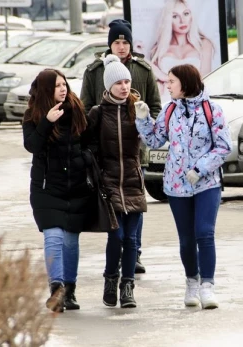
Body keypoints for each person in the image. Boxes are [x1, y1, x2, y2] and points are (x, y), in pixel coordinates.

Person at [135, 64, 232, 309]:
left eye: (171, 82)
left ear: (185, 84)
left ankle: (207, 287)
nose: (167, 86)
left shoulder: (212, 110)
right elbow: (155, 140)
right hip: (176, 185)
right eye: (167, 82)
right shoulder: (170, 110)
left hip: (206, 183)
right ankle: (192, 282)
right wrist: (143, 119)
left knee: (205, 233)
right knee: (187, 239)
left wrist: (200, 169)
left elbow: (223, 147)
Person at [81, 18, 161, 274]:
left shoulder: (143, 70)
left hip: (135, 153)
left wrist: (147, 124)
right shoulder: (94, 71)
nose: (121, 46)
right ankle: (116, 259)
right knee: (114, 211)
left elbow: (156, 107)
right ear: (110, 44)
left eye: (125, 41)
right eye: (117, 41)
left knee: (135, 201)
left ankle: (134, 252)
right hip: (105, 156)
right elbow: (84, 109)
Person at [22, 68, 91, 313]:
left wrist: (84, 162)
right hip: (46, 189)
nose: (63, 88)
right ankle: (56, 290)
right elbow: (32, 146)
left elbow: (88, 142)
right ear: (45, 90)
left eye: (64, 84)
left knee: (70, 242)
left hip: (76, 187)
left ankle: (69, 290)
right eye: (57, 85)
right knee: (53, 237)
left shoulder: (76, 109)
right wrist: (47, 123)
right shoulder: (33, 114)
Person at [86, 55, 147, 309]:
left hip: (133, 179)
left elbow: (153, 139)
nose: (124, 86)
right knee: (117, 236)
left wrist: (146, 121)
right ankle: (111, 280)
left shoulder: (136, 108)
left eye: (127, 81)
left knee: (132, 239)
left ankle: (128, 286)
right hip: (109, 182)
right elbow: (88, 147)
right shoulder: (98, 113)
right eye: (118, 82)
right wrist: (95, 176)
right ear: (108, 86)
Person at [148, 0, 215, 97]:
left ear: (191, 16)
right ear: (168, 20)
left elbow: (205, 79)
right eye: (175, 16)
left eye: (186, 14)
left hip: (193, 99)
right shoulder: (159, 49)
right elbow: (155, 80)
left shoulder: (204, 44)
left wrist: (168, 79)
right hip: (167, 100)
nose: (182, 20)